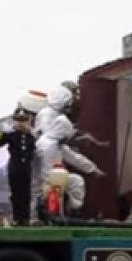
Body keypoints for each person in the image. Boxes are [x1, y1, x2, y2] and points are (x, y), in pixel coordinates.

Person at [34, 86, 103, 214]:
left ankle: (72, 211)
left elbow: (72, 156)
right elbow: (46, 171)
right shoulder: (47, 142)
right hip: (44, 182)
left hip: (52, 177)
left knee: (74, 182)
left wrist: (92, 169)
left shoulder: (55, 142)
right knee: (54, 187)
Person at [0, 109, 37, 225]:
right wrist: (4, 133)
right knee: (16, 193)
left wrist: (32, 133)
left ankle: (25, 218)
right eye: (18, 121)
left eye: (23, 121)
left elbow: (35, 148)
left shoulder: (30, 135)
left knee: (26, 193)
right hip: (15, 166)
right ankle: (16, 217)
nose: (21, 123)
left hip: (26, 167)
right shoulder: (11, 135)